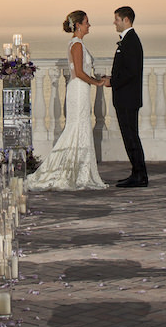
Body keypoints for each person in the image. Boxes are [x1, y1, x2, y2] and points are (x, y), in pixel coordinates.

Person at [27, 11, 108, 192]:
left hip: (79, 89)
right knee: (76, 127)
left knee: (79, 127)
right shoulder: (77, 44)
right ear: (78, 25)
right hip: (79, 89)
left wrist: (97, 79)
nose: (89, 25)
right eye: (87, 22)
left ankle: (78, 169)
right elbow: (79, 72)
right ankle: (71, 170)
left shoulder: (76, 43)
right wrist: (97, 83)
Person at [108, 5, 147, 188]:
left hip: (128, 98)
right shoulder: (128, 40)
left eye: (116, 19)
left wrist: (112, 82)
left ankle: (140, 175)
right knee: (130, 136)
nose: (114, 22)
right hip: (126, 97)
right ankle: (136, 173)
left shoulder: (131, 40)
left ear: (126, 20)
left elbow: (131, 72)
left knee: (131, 137)